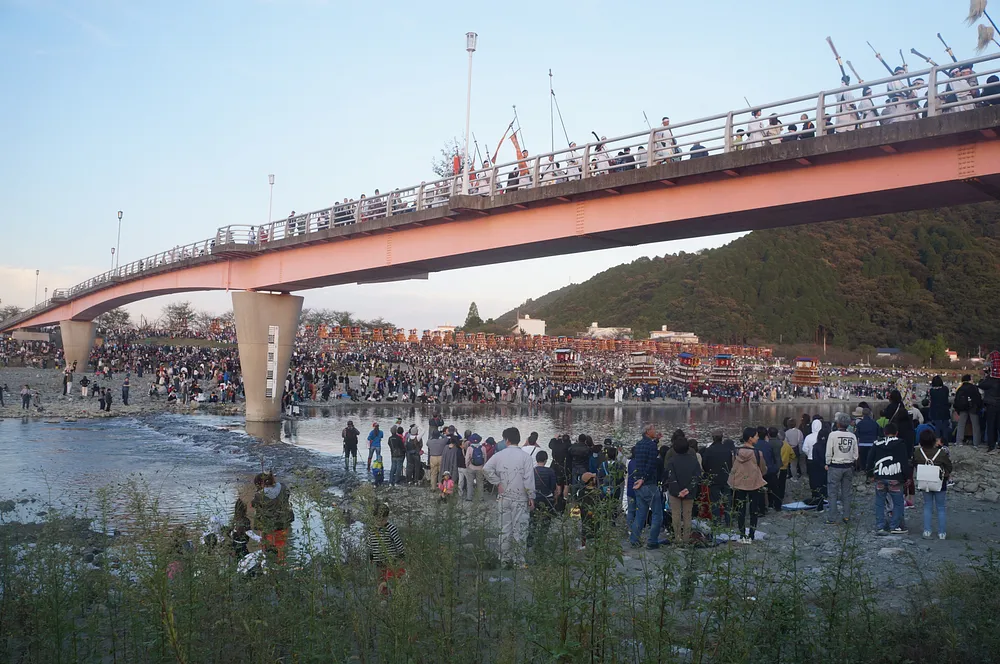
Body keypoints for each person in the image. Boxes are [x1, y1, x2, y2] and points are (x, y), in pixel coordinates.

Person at [482, 427, 535, 567]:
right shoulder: (526, 457)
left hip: (503, 496)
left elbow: (486, 469)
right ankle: (519, 561)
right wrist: (531, 496)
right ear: (519, 439)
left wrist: (497, 482)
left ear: (506, 440)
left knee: (504, 528)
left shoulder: (499, 455)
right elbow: (529, 479)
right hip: (520, 497)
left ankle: (504, 560)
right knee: (520, 530)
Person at [867, 423, 909, 535]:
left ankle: (880, 526)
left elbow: (870, 459)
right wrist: (907, 477)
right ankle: (894, 526)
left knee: (880, 503)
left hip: (880, 477)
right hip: (895, 477)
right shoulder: (900, 444)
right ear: (896, 433)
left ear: (884, 432)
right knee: (898, 503)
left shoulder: (877, 443)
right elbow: (904, 462)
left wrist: (870, 474)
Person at [729, 428, 768, 544]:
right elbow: (762, 468)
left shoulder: (736, 451)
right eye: (756, 436)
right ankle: (751, 535)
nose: (757, 438)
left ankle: (742, 534)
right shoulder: (757, 453)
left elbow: (733, 465)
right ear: (750, 438)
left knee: (741, 510)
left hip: (739, 483)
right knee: (753, 510)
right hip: (754, 484)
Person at [628, 423, 664, 549]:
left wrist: (656, 440)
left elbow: (644, 459)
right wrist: (644, 478)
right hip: (648, 483)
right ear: (648, 431)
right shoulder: (652, 446)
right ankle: (652, 540)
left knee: (640, 514)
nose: (655, 430)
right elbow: (651, 463)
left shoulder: (639, 444)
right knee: (657, 514)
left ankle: (634, 539)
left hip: (638, 484)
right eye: (653, 429)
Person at [914, 429, 952, 540]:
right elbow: (949, 467)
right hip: (939, 482)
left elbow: (914, 464)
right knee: (940, 507)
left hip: (924, 481)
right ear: (934, 440)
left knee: (927, 506)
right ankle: (942, 533)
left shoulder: (918, 453)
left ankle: (927, 531)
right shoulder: (941, 453)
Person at [664, 438, 702, 545]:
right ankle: (686, 538)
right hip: (689, 492)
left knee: (676, 514)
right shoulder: (693, 460)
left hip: (674, 492)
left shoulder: (672, 461)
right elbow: (697, 476)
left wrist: (678, 491)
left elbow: (671, 477)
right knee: (687, 515)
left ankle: (677, 538)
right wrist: (688, 489)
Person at [251, 472, 294, 564]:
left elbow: (254, 504)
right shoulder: (283, 487)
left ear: (260, 484)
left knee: (267, 548)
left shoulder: (259, 495)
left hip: (267, 526)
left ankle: (269, 567)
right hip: (283, 524)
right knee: (281, 547)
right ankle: (282, 565)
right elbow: (287, 495)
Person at [825, 412, 859, 524]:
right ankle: (846, 516)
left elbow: (829, 451)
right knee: (847, 492)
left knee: (832, 492)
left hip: (835, 466)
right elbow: (856, 454)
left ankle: (832, 517)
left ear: (838, 423)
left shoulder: (832, 435)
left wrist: (827, 462)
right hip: (848, 466)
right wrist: (851, 459)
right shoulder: (852, 436)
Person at [366, 502, 405, 595]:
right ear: (374, 518)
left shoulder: (391, 528)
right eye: (377, 520)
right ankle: (383, 598)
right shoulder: (371, 530)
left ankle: (395, 596)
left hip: (390, 560)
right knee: (380, 579)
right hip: (378, 560)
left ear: (387, 518)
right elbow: (370, 543)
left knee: (391, 580)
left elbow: (398, 543)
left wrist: (401, 556)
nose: (380, 523)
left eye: (383, 520)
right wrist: (371, 556)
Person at [701, 431, 735, 527]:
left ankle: (716, 521)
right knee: (727, 500)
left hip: (713, 478)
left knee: (714, 501)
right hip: (726, 477)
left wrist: (708, 472)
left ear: (713, 438)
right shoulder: (727, 450)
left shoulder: (709, 450)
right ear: (722, 438)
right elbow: (730, 463)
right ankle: (729, 521)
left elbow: (704, 464)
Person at [528, 450, 557, 548]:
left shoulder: (532, 471)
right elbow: (553, 486)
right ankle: (541, 543)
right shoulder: (550, 471)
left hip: (535, 498)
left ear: (536, 460)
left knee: (533, 520)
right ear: (546, 460)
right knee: (546, 521)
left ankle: (530, 542)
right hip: (547, 498)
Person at [954, 374, 983, 447]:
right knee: (975, 425)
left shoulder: (960, 388)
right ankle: (976, 442)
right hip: (973, 408)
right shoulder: (974, 388)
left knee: (961, 425)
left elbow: (956, 400)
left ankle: (959, 441)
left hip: (962, 408)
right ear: (969, 380)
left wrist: (957, 409)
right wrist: (979, 407)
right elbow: (978, 398)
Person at [575, 472, 600, 550]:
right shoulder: (596, 491)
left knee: (585, 527)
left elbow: (579, 502)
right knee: (595, 527)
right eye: (593, 478)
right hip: (593, 513)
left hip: (585, 513)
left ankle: (584, 544)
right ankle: (595, 543)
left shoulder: (582, 491)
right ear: (590, 481)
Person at [978, 367, 1000, 452]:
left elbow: (981, 384)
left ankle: (991, 445)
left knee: (991, 425)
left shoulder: (990, 380)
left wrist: (987, 377)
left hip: (991, 405)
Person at [927, 375, 951, 443]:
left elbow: (931, 401)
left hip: (935, 411)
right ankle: (945, 442)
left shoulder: (931, 391)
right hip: (945, 411)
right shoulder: (945, 389)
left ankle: (937, 442)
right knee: (945, 428)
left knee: (937, 428)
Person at [854, 407, 880, 471]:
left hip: (862, 444)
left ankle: (864, 471)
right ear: (870, 414)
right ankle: (870, 471)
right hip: (872, 444)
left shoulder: (859, 424)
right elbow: (879, 434)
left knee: (863, 460)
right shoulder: (875, 423)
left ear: (862, 414)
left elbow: (856, 435)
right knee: (871, 460)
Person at [464, 433, 485, 501]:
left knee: (470, 483)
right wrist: (483, 466)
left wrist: (467, 465)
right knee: (480, 483)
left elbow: (467, 459)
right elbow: (485, 458)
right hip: (480, 468)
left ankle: (469, 497)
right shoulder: (483, 448)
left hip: (471, 467)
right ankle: (481, 498)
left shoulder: (470, 448)